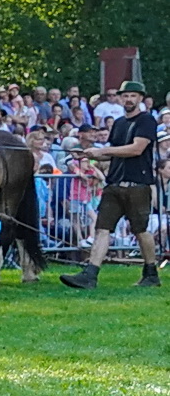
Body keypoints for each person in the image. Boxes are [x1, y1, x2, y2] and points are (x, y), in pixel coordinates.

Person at [61, 80, 159, 288]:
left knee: (140, 230)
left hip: (138, 185)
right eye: (125, 96)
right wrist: (88, 156)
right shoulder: (119, 123)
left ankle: (151, 272)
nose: (129, 99)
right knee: (102, 229)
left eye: (133, 95)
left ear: (141, 98)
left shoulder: (147, 121)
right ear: (121, 99)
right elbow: (113, 156)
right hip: (114, 184)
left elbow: (136, 149)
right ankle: (90, 275)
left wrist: (102, 151)